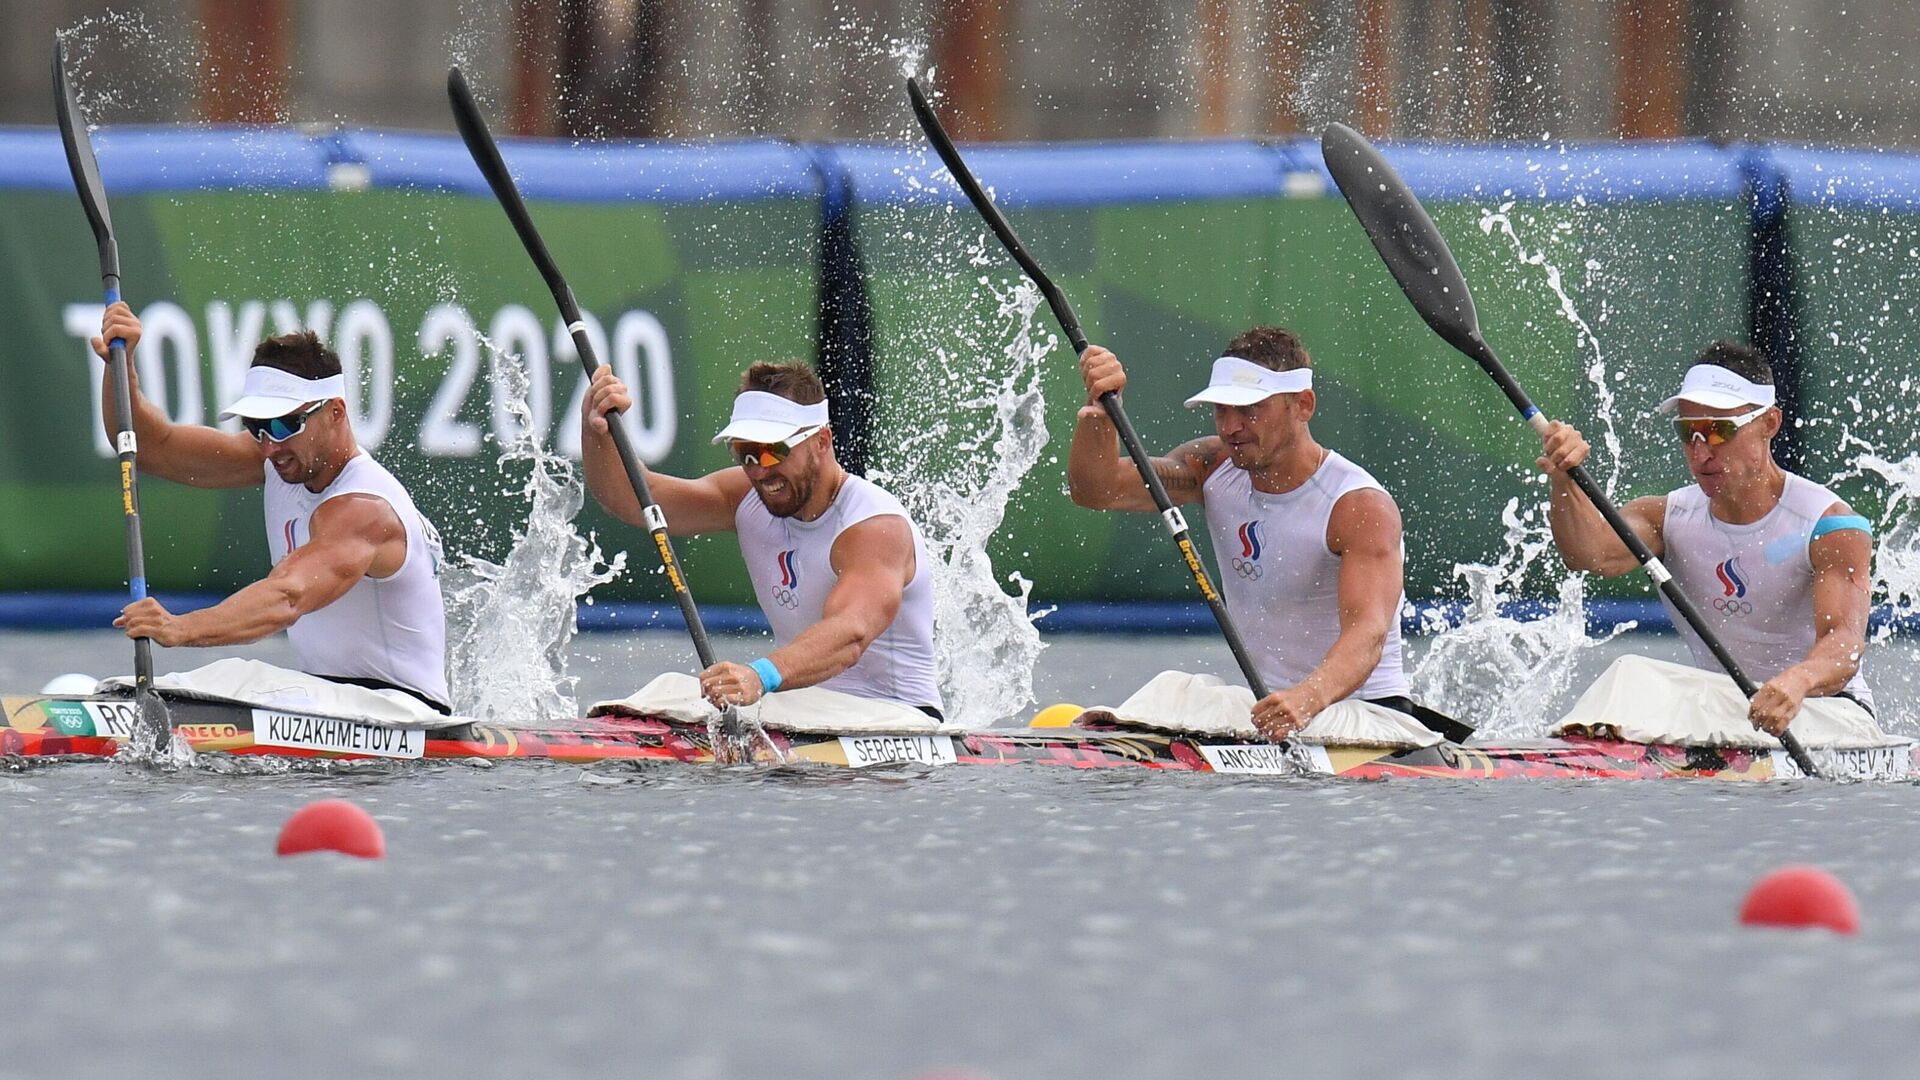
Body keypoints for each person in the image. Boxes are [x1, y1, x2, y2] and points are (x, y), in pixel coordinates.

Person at [1066, 325, 1467, 744]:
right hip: (1267, 713)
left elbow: (1368, 635)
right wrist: (1099, 413)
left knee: (1177, 702)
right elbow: (1098, 490)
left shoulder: (1358, 506)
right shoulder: (1213, 467)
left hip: (1360, 714)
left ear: (1303, 405)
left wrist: (1307, 698)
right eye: (1221, 409)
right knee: (1176, 688)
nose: (1231, 426)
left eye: (1250, 409)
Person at [94, 303, 450, 713]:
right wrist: (121, 366)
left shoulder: (365, 511)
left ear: (335, 412)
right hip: (332, 700)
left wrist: (179, 627)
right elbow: (154, 449)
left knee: (235, 678)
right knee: (188, 685)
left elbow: (287, 597)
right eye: (256, 427)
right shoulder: (282, 458)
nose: (269, 445)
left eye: (285, 425)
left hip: (402, 711)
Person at [1537, 341, 1874, 734]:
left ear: (1769, 424)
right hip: (1730, 713)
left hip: (1831, 714)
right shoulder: (1667, 517)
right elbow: (1589, 555)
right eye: (1688, 432)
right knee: (1631, 672)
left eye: (1717, 431)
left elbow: (1845, 646)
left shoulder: (1829, 525)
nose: (1700, 452)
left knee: (1637, 678)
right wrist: (1564, 481)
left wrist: (1797, 681)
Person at [580, 360, 942, 717]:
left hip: (898, 717)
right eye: (745, 453)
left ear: (821, 441)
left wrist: (760, 675)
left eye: (773, 450)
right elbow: (632, 500)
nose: (760, 470)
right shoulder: (745, 497)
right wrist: (597, 426)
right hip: (804, 708)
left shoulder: (873, 527)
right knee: (669, 688)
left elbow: (851, 633)